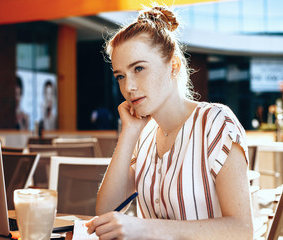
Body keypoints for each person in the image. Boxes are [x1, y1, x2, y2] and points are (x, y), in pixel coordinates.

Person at [86, 5, 253, 239]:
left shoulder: (216, 123)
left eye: (139, 68)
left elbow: (242, 231)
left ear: (173, 66)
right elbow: (106, 210)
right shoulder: (144, 135)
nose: (129, 87)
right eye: (121, 76)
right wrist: (129, 132)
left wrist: (144, 228)